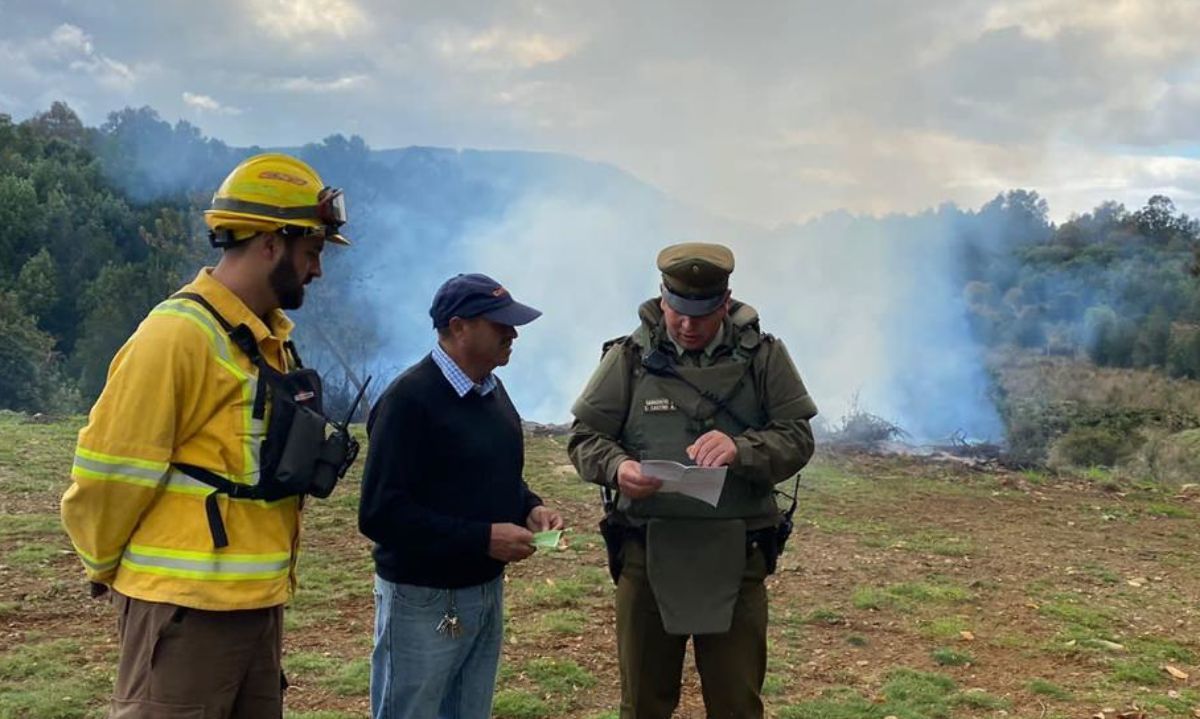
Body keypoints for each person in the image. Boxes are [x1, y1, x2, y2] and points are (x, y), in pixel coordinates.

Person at [61, 153, 355, 718]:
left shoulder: (267, 338)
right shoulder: (176, 337)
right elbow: (108, 474)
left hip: (255, 605)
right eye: (312, 251)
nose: (317, 270)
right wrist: (103, 565)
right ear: (271, 242)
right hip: (183, 613)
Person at [568, 242, 818, 719]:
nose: (687, 324)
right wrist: (618, 468)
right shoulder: (629, 358)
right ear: (663, 299)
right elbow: (585, 438)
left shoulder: (764, 358)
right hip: (647, 552)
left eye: (701, 315)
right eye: (677, 311)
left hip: (736, 554)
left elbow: (797, 438)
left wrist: (742, 450)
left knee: (735, 702)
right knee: (642, 702)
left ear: (724, 303)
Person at [359, 272, 564, 719]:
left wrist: (530, 508)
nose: (513, 334)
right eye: (500, 325)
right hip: (423, 597)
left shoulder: (490, 390)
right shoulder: (408, 401)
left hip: (483, 588)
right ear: (458, 327)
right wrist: (482, 539)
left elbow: (493, 477)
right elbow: (380, 513)